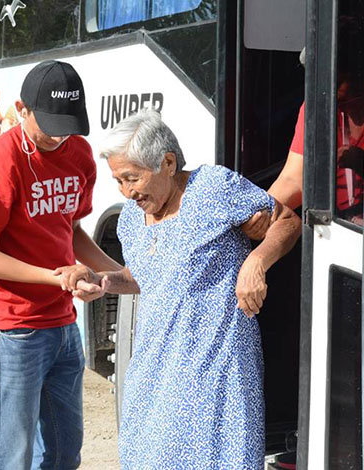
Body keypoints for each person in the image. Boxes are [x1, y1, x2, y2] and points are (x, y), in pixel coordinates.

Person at [55, 109, 301, 470]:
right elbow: (145, 277)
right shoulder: (130, 218)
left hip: (217, 369)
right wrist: (102, 279)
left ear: (168, 162)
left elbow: (287, 220)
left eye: (132, 178)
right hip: (155, 374)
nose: (127, 191)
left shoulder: (213, 187)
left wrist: (256, 262)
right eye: (118, 181)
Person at [0, 60, 121, 470]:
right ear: (22, 109)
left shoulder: (80, 153)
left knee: (64, 452)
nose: (57, 136)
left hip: (62, 327)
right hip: (11, 329)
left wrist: (115, 273)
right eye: (48, 124)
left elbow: (69, 227)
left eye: (67, 124)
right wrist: (59, 279)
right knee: (10, 457)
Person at [243, 16, 364, 238]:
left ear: (358, 74)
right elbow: (293, 178)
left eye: (335, 81)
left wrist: (359, 162)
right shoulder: (317, 107)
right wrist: (259, 213)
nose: (324, 89)